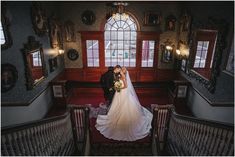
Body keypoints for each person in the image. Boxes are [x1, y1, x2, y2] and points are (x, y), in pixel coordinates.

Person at [96, 66, 153, 141]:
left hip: (123, 92)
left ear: (124, 71)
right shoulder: (120, 75)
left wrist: (118, 88)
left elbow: (126, 86)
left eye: (122, 69)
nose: (121, 70)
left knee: (124, 106)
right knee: (118, 105)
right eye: (121, 69)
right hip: (119, 93)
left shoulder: (123, 75)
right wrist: (117, 87)